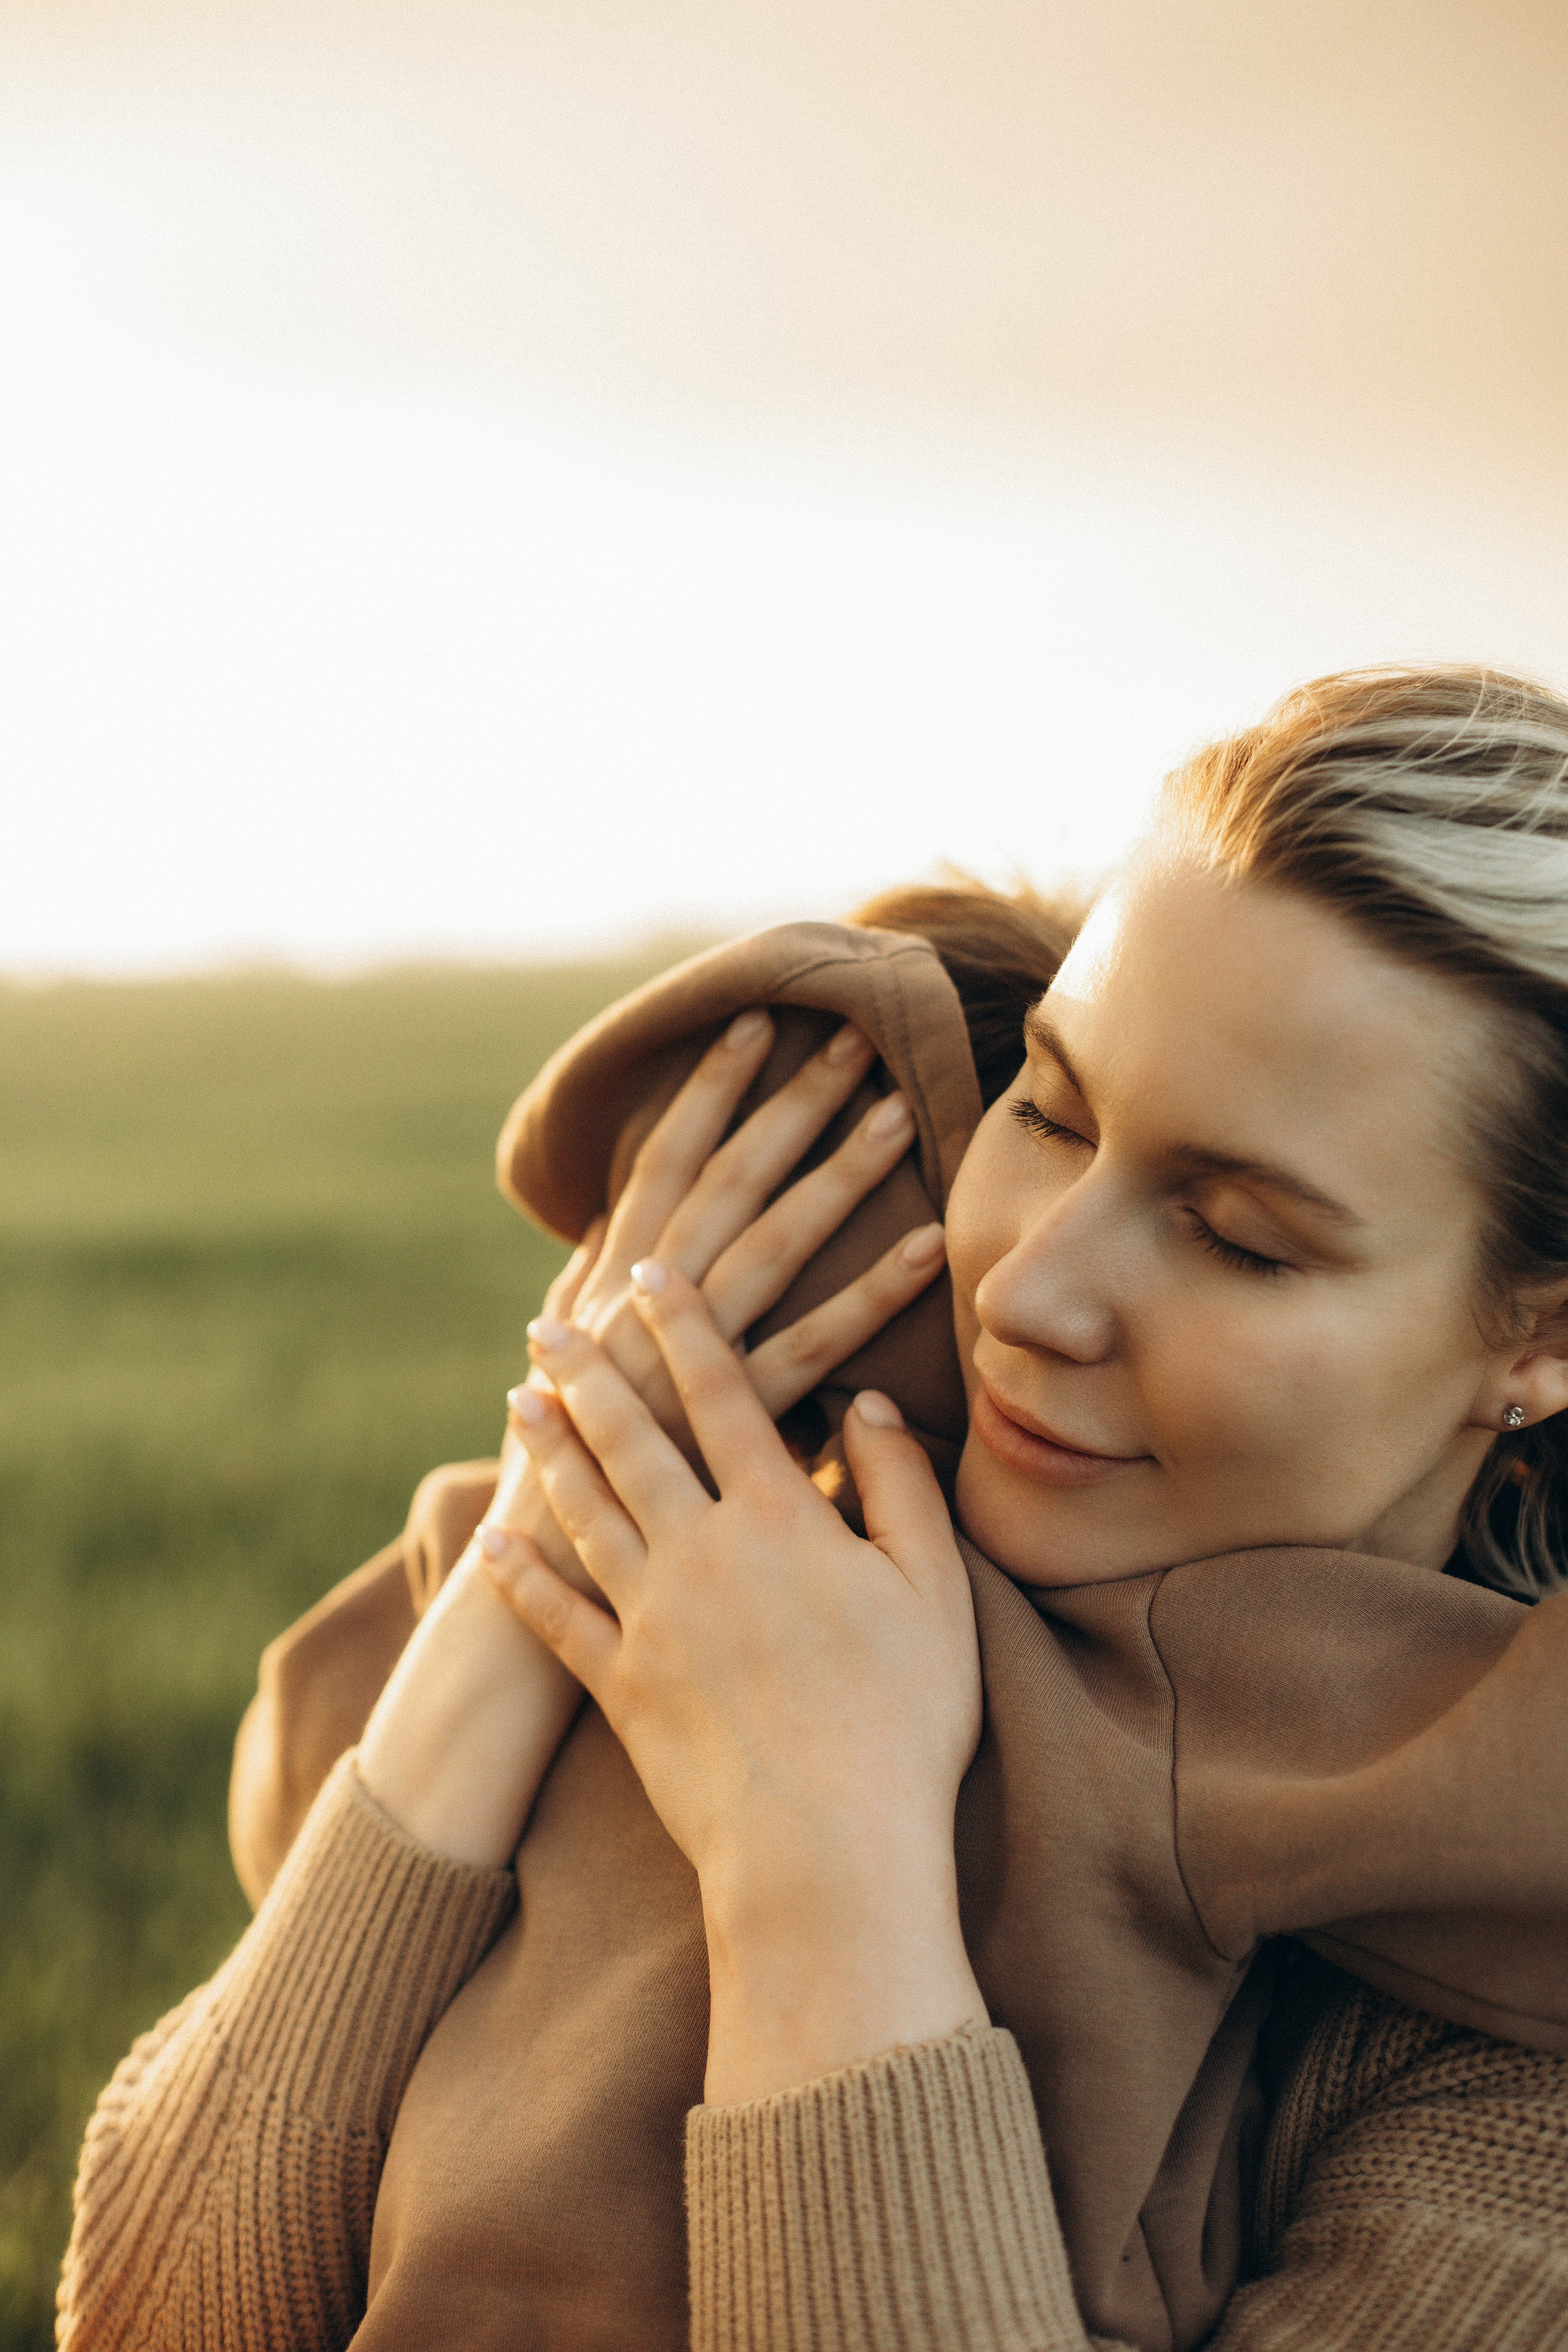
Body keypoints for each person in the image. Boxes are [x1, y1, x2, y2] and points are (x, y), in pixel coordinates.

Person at [59, 666, 1568, 2351]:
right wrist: (537, 1560)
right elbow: (151, 2314)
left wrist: (827, 1870)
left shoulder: (1513, 2035)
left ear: (1542, 1336)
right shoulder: (743, 1573)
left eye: (1239, 1235)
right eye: (1049, 1111)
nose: (1032, 1291)